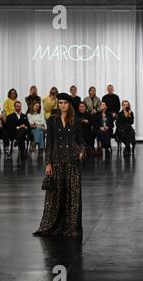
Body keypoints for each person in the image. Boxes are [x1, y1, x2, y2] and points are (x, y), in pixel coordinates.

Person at [33, 93, 85, 237]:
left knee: (72, 194)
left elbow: (81, 141)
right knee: (56, 194)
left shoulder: (77, 121)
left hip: (72, 161)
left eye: (65, 103)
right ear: (58, 104)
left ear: (69, 104)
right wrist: (48, 163)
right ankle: (53, 224)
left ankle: (71, 226)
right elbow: (49, 142)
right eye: (60, 103)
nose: (62, 105)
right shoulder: (52, 121)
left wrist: (81, 152)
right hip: (56, 161)